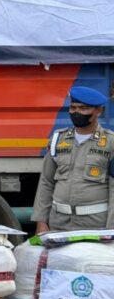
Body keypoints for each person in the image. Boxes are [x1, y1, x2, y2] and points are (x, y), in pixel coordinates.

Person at [32, 86, 114, 232]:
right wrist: (41, 221)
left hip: (95, 225)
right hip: (59, 224)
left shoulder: (110, 142)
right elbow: (46, 182)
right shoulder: (57, 138)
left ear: (98, 111)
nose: (77, 113)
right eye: (73, 108)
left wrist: (111, 228)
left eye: (83, 109)